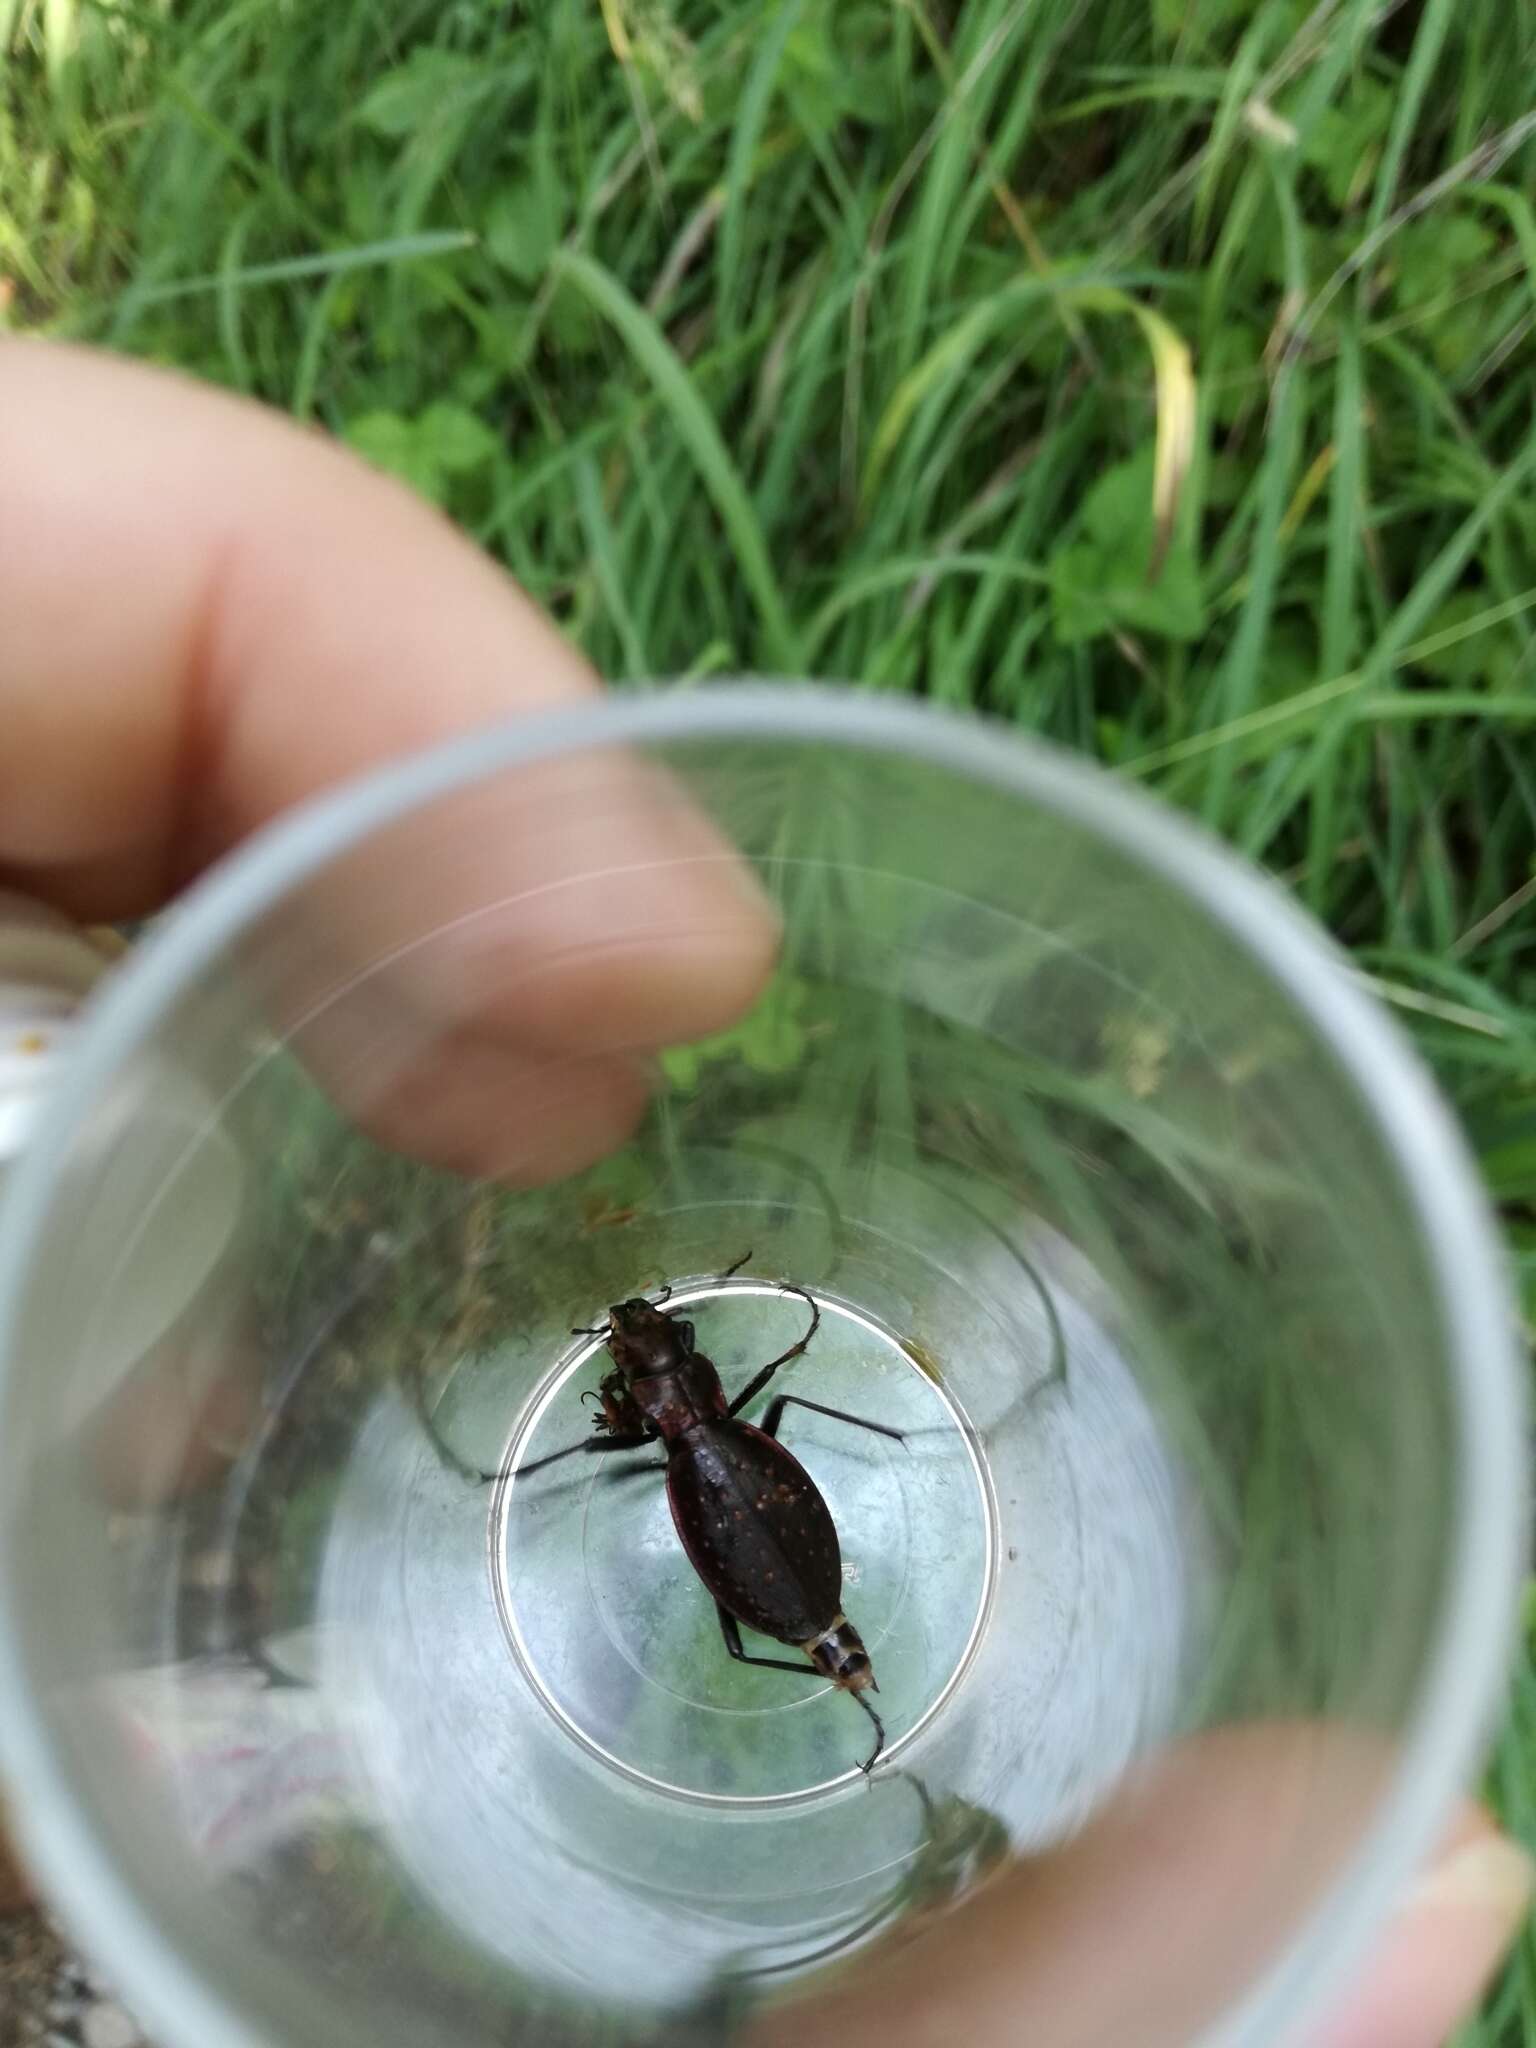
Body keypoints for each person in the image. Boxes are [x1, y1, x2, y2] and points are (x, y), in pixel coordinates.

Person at [0, 337, 1528, 2044]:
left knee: (769, 1579)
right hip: (757, 1536)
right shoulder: (717, 1425)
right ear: (682, 1391)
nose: (656, 1366)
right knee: (771, 1577)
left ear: (679, 1391)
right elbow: (738, 1436)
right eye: (655, 1362)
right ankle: (844, 1678)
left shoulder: (701, 1431)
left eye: (656, 1359)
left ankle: (842, 1678)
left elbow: (730, 1438)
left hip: (761, 1537)